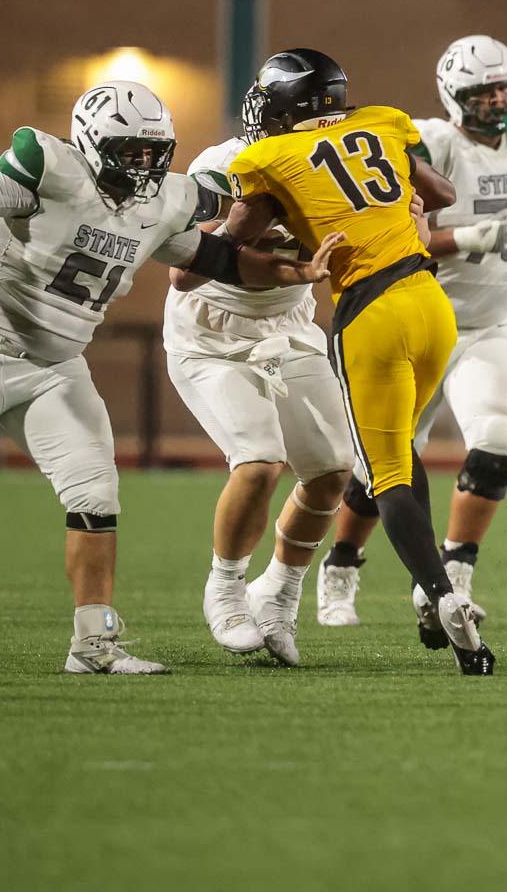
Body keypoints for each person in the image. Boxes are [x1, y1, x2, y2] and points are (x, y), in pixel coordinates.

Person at [0, 81, 336, 674]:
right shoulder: (48, 170)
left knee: (95, 496)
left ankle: (93, 645)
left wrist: (298, 270)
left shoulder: (165, 201)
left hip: (55, 366)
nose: (145, 165)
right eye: (131, 152)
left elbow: (222, 261)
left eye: (155, 152)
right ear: (91, 142)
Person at [220, 47, 494, 674]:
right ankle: (433, 591)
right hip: (432, 305)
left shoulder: (268, 157)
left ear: (286, 105)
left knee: (384, 473)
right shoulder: (381, 122)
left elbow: (233, 239)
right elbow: (442, 192)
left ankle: (443, 597)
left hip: (370, 314)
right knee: (400, 450)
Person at [319, 34, 507, 627]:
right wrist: (459, 238)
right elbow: (388, 234)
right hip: (422, 323)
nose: (499, 100)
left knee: (498, 447)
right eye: (484, 92)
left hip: (490, 325)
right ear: (454, 96)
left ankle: (454, 576)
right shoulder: (433, 143)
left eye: (505, 88)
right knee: (384, 463)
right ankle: (341, 566)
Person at [163, 86, 357, 666]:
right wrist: (246, 232)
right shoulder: (223, 167)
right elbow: (184, 274)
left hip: (290, 327)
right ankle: (225, 590)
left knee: (333, 469)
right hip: (212, 336)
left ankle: (278, 591)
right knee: (259, 460)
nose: (325, 131)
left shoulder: (335, 166)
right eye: (314, 119)